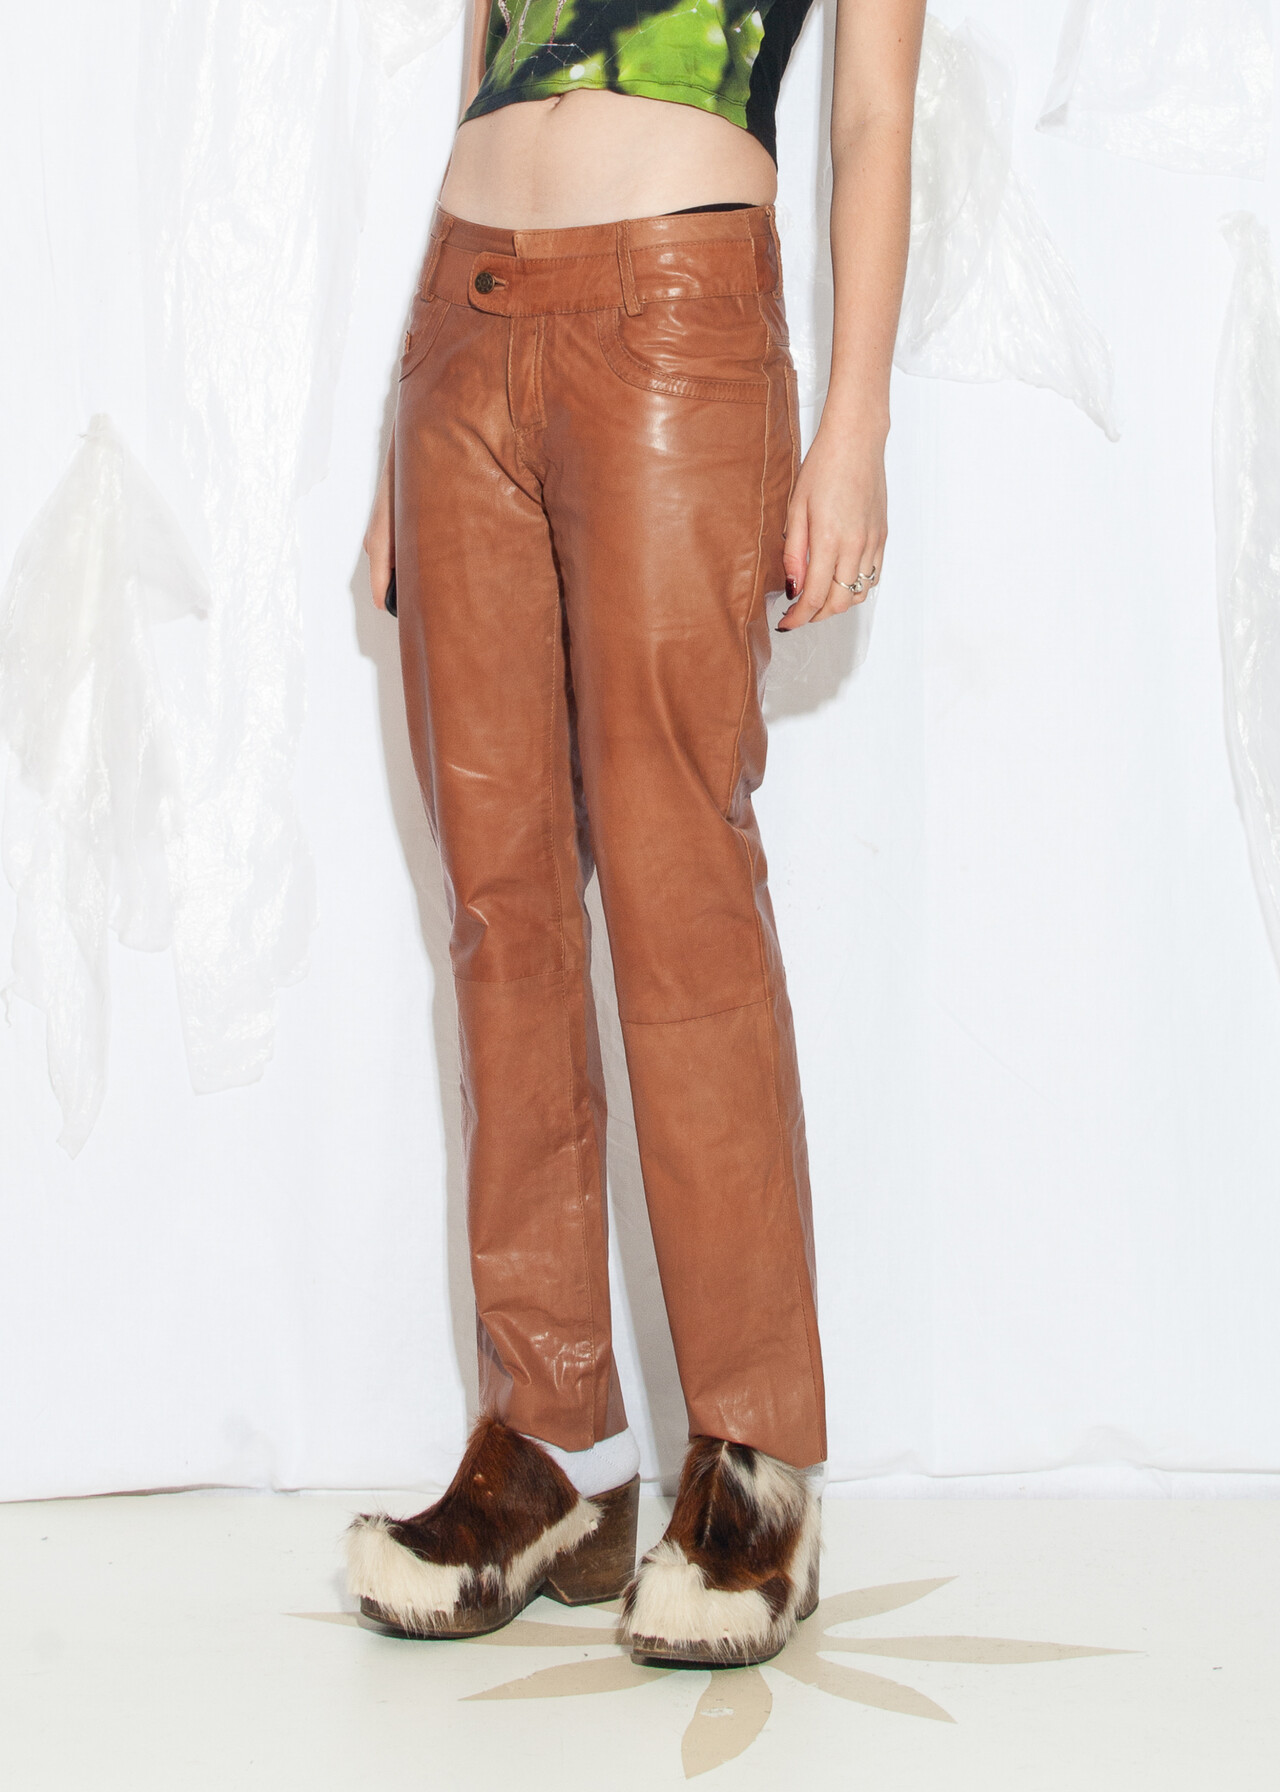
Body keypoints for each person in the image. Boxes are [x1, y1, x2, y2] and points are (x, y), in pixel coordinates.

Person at [346, 0, 926, 1667]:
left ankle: (755, 1457)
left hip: (679, 311)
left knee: (680, 883)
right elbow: (487, 67)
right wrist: (402, 420)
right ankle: (556, 1449)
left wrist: (856, 427)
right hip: (464, 322)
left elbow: (872, 115)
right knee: (500, 907)